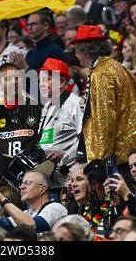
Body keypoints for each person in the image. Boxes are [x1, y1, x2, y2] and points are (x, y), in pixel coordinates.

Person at [73, 25, 136, 169]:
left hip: (117, 156)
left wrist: (101, 161)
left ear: (84, 51)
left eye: (76, 51)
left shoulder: (100, 73)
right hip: (135, 148)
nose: (76, 56)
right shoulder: (118, 66)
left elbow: (105, 119)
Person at [0, 171, 67, 233]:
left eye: (27, 183)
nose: (21, 187)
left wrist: (3, 199)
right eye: (21, 183)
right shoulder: (27, 214)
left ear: (42, 189)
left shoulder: (55, 207)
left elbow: (32, 226)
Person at [37, 58, 84, 193]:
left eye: (47, 80)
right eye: (40, 80)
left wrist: (65, 153)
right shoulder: (46, 107)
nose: (41, 84)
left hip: (67, 181)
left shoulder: (75, 104)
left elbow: (86, 138)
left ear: (62, 82)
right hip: (47, 180)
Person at [0, 21, 26, 105]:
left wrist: (23, 68)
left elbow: (28, 78)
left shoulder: (17, 51)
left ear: (4, 30)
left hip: (11, 106)